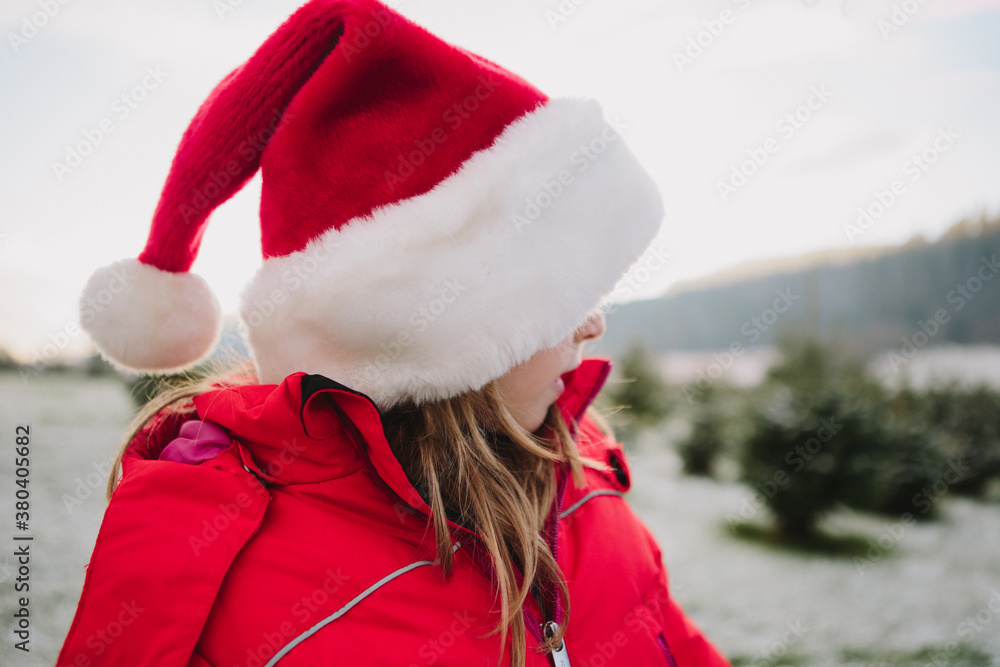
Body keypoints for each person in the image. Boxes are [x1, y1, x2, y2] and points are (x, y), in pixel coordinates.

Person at [59, 0, 732, 665]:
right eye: (564, 298)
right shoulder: (220, 569)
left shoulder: (579, 471)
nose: (595, 321)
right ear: (444, 338)